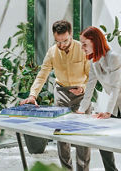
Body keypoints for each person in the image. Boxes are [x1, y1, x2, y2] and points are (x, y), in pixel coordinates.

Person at [20, 20, 91, 171]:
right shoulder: (52, 51)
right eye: (58, 41)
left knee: (83, 136)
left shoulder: (82, 48)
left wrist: (83, 87)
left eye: (65, 40)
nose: (62, 45)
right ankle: (66, 169)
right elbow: (42, 74)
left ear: (70, 34)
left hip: (81, 94)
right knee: (61, 136)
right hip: (61, 93)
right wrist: (33, 95)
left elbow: (90, 75)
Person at [76, 26, 121, 171]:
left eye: (84, 44)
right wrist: (81, 109)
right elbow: (90, 86)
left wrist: (107, 111)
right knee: (103, 139)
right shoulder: (93, 62)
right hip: (114, 105)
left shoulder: (114, 57)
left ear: (95, 41)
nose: (82, 47)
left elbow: (115, 87)